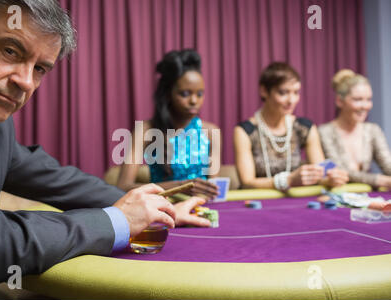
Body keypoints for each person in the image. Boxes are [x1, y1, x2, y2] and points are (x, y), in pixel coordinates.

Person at [0, 0, 209, 300]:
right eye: (10, 51)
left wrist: (156, 206)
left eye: (40, 68)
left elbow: (52, 178)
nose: (25, 82)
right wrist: (116, 221)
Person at [116, 49, 221, 200]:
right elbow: (123, 187)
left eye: (199, 94)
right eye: (185, 94)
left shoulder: (211, 131)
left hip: (200, 208)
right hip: (159, 211)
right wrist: (181, 186)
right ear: (167, 93)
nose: (194, 101)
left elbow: (213, 189)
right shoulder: (146, 130)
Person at [233, 62, 349, 191]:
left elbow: (320, 173)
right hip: (256, 202)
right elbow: (247, 182)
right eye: (283, 93)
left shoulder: (305, 127)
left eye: (296, 92)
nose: (291, 100)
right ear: (264, 91)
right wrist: (288, 180)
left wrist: (330, 179)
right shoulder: (245, 131)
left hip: (295, 202)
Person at [318, 69, 391, 189]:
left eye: (368, 99)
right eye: (358, 100)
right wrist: (382, 181)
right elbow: (341, 171)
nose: (365, 106)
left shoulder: (372, 130)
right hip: (336, 197)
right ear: (339, 101)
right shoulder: (324, 132)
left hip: (366, 197)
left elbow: (388, 164)